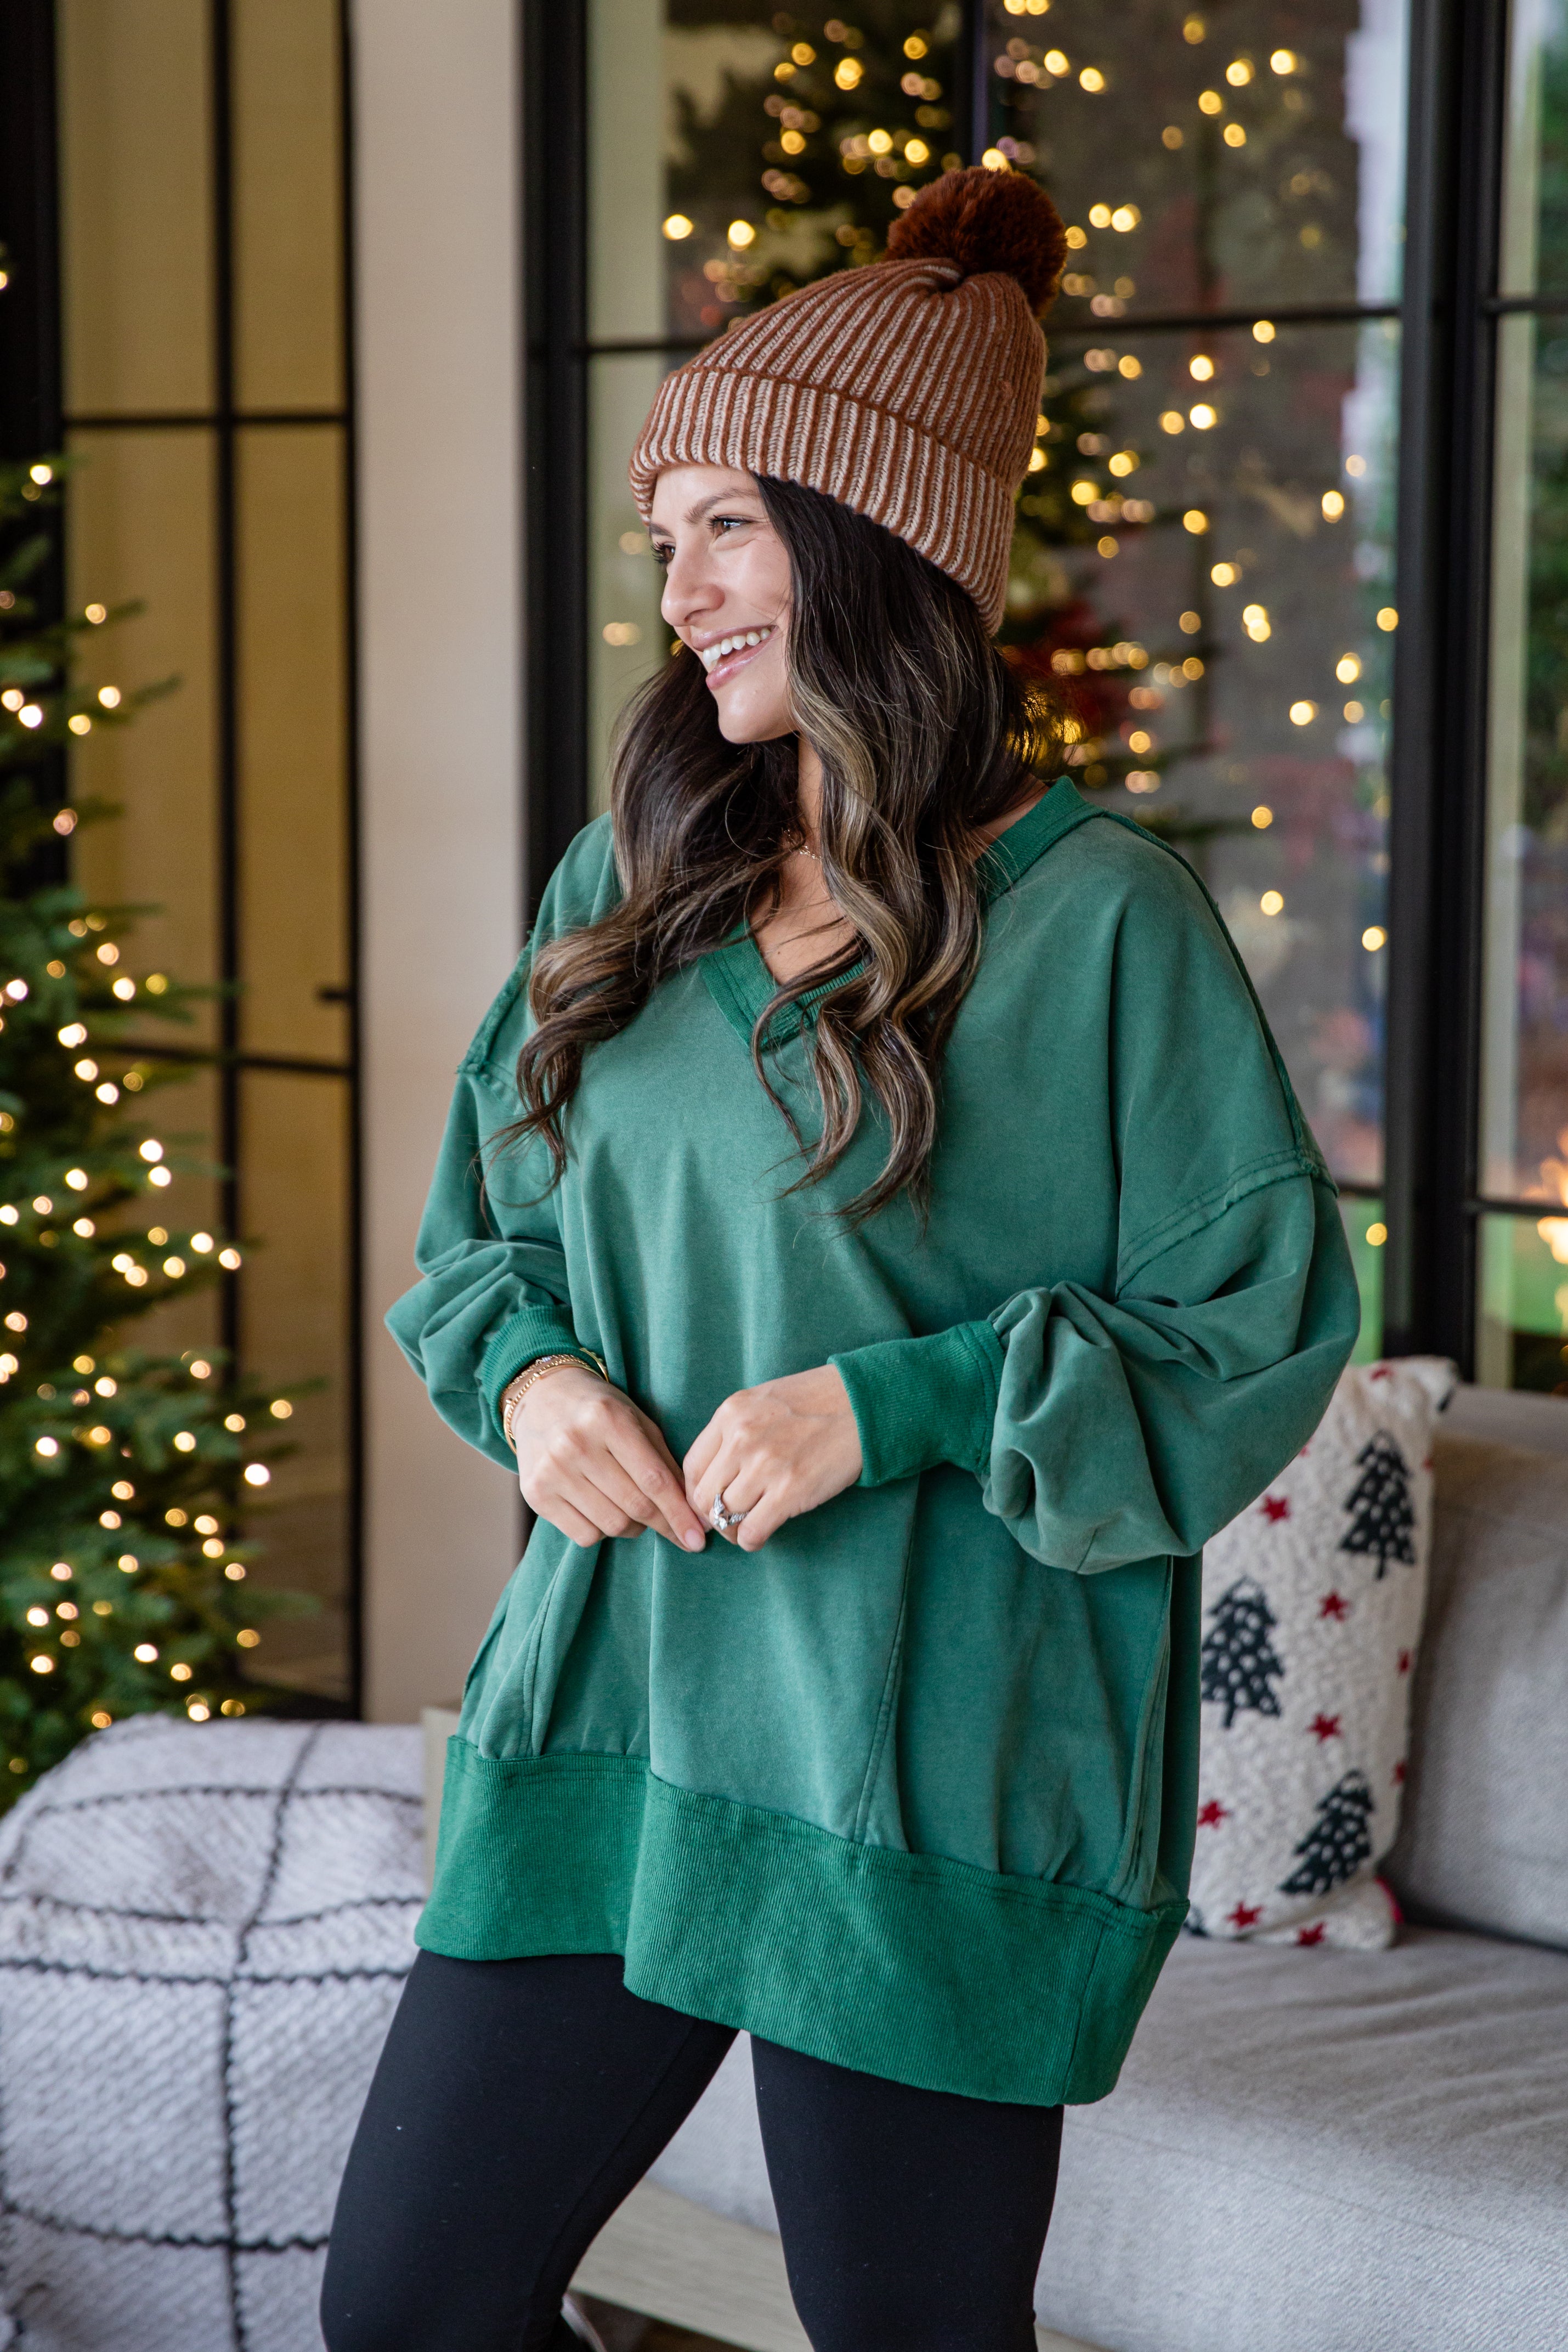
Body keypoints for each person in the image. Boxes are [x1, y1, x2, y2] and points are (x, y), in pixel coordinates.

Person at [322, 167, 1360, 2352]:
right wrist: (529, 1383)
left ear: (876, 533)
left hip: (928, 1764)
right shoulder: (637, 874)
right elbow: (476, 1235)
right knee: (406, 2310)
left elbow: (1249, 1327)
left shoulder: (1102, 927)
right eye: (663, 530)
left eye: (725, 522)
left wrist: (884, 1401)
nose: (676, 585)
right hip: (612, 1707)